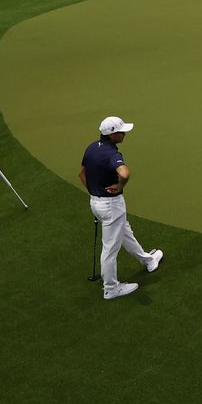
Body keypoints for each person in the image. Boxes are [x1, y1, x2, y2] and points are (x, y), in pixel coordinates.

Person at [81, 116, 164, 300]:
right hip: (111, 205)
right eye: (121, 131)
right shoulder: (112, 154)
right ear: (112, 134)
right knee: (110, 249)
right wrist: (120, 186)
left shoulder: (92, 147)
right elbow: (124, 173)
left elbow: (81, 173)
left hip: (96, 202)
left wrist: (94, 192)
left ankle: (148, 261)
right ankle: (111, 288)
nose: (124, 133)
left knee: (125, 232)